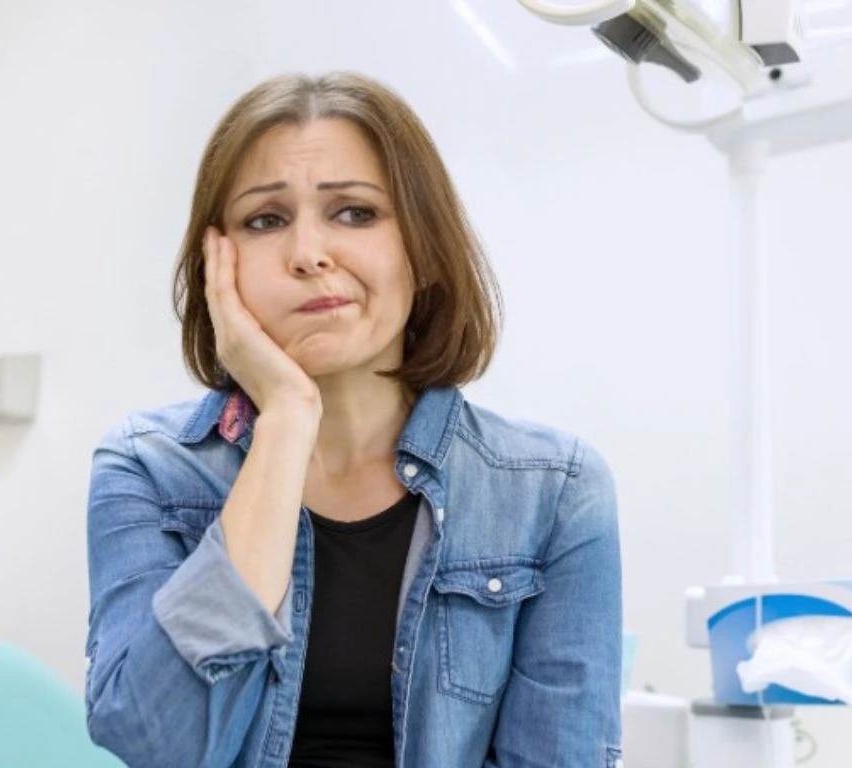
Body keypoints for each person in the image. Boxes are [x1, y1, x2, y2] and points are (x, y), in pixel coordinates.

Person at [85, 71, 622, 768]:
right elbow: (161, 744)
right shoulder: (147, 468)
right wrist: (285, 421)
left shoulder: (556, 491)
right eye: (265, 220)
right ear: (219, 263)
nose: (309, 253)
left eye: (355, 213)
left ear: (423, 250)